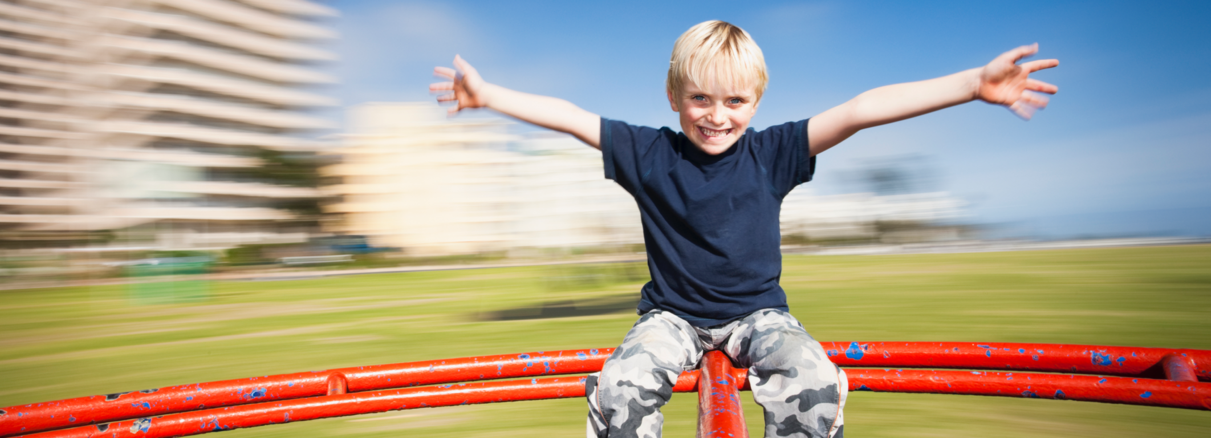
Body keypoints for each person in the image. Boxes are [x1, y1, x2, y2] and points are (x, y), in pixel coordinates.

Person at [430, 20, 1058, 438]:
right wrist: (491, 96)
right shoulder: (649, 153)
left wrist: (971, 85)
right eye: (701, 99)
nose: (717, 116)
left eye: (735, 102)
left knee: (814, 378)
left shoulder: (774, 153)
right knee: (619, 384)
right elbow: (570, 117)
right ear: (675, 97)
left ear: (755, 103)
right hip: (670, 318)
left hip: (760, 315)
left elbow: (861, 111)